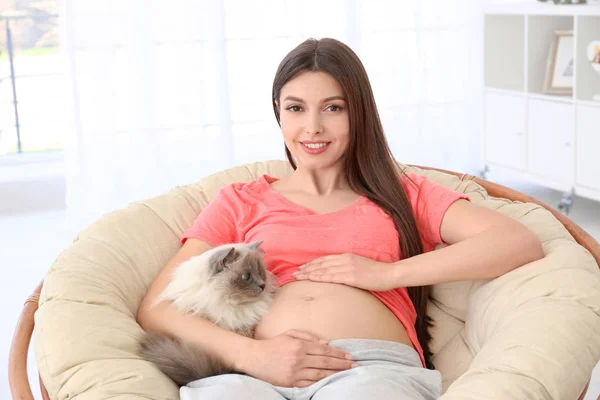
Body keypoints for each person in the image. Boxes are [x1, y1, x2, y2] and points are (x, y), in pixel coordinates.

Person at [137, 37, 544, 400]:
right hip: (255, 371)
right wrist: (250, 354)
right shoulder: (240, 201)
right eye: (296, 108)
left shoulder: (402, 192)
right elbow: (158, 307)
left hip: (368, 369)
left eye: (333, 108)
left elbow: (516, 242)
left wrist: (385, 275)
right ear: (279, 113)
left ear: (359, 114)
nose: (312, 127)